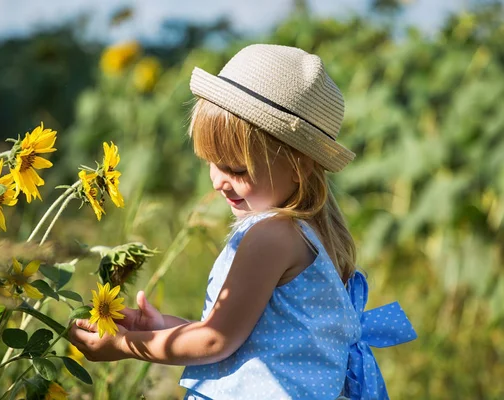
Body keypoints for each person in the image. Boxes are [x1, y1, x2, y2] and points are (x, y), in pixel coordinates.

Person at [69, 44, 417, 400]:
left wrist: (128, 344)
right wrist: (164, 328)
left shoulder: (272, 235)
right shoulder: (303, 233)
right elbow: (248, 338)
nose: (220, 181)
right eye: (213, 163)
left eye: (237, 169)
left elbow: (215, 341)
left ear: (299, 167)